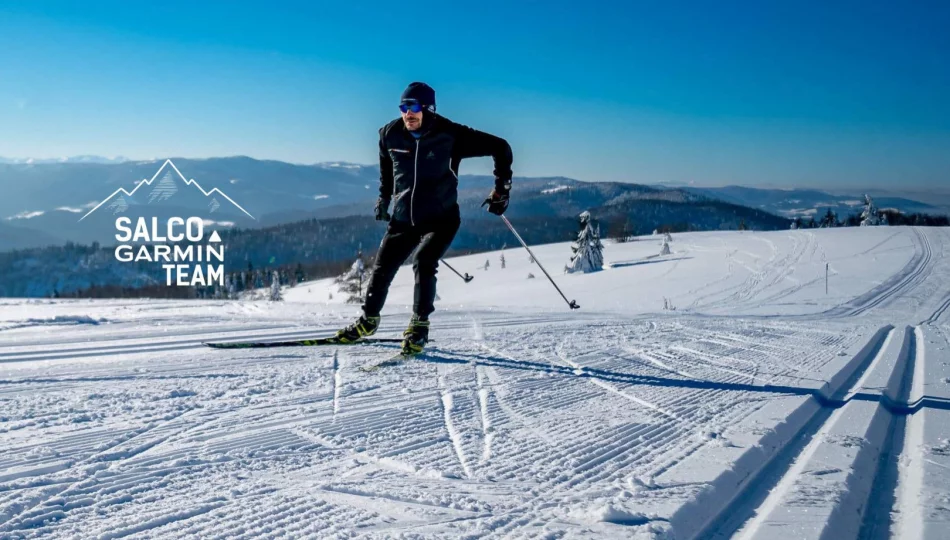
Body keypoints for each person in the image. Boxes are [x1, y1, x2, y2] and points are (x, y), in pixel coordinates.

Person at [334, 82, 513, 354]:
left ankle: (419, 325)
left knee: (424, 260)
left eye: (414, 107)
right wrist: (384, 198)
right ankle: (368, 321)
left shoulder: (450, 134)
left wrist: (502, 189)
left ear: (429, 109)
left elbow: (501, 147)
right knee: (382, 267)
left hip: (442, 219)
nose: (408, 114)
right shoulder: (389, 135)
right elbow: (387, 172)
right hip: (404, 219)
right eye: (404, 107)